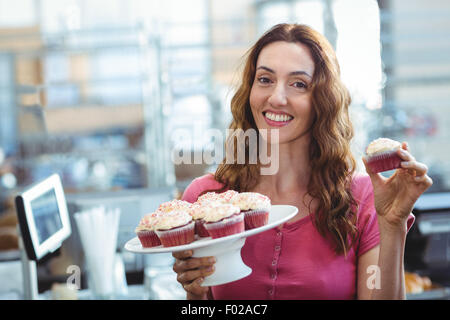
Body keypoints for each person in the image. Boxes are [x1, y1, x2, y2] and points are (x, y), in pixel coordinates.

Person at [172, 23, 432, 300]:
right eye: (265, 79)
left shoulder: (363, 198)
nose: (277, 97)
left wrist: (392, 226)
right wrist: (195, 296)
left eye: (299, 84)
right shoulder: (206, 200)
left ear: (323, 99)